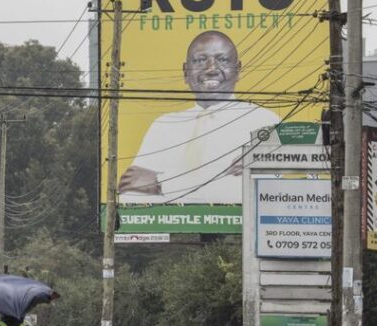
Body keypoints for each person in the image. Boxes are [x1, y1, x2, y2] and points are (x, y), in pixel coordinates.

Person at [118, 31, 280, 204]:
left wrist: (160, 184)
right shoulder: (164, 125)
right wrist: (221, 175)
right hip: (169, 227)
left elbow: (257, 192)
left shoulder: (265, 122)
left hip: (240, 230)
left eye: (222, 60)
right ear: (186, 72)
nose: (211, 69)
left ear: (238, 69)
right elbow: (129, 192)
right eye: (200, 60)